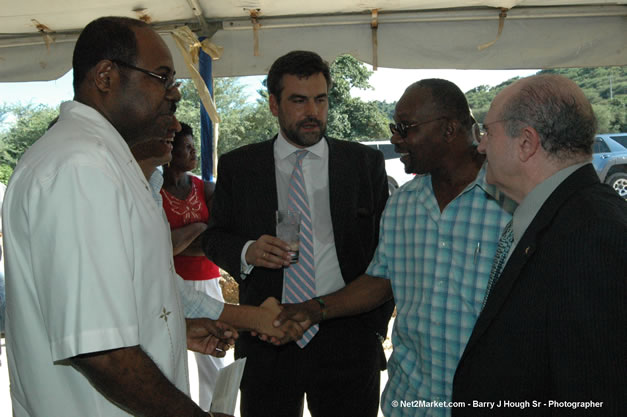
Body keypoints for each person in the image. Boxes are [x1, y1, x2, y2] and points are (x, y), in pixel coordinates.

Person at [3, 16, 234, 417]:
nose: (174, 94)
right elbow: (101, 350)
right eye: (161, 77)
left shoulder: (107, 161)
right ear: (106, 76)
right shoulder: (79, 166)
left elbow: (130, 292)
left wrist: (172, 334)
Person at [275, 78, 516, 417]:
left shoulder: (513, 201)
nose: (395, 138)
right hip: (411, 399)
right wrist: (314, 309)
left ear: (448, 129)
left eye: (405, 128)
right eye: (395, 127)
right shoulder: (403, 203)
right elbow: (381, 279)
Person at [203, 50, 394, 417]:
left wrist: (374, 328)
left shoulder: (362, 164)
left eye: (320, 100)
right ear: (273, 105)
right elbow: (214, 238)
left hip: (346, 335)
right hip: (267, 333)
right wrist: (247, 252)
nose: (312, 112)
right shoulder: (240, 166)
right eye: (299, 100)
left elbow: (383, 252)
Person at [452, 74, 627, 416]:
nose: (481, 146)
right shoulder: (564, 215)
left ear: (526, 143)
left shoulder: (591, 237)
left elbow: (596, 397)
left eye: (488, 131)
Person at [161, 122, 225, 409]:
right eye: (186, 147)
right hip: (167, 283)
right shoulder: (152, 190)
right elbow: (159, 246)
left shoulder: (205, 188)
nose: (193, 152)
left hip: (206, 280)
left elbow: (214, 242)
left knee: (214, 357)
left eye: (193, 146)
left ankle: (217, 410)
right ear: (170, 151)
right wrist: (198, 227)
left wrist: (176, 242)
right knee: (169, 357)